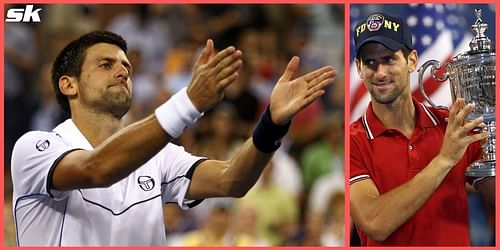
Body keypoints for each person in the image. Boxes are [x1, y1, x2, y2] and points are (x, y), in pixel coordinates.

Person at [10, 30, 336, 246]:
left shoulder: (159, 155)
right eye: (106, 65)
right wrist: (188, 103)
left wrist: (272, 124)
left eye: (125, 66)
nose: (122, 71)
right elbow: (98, 169)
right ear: (69, 85)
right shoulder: (35, 148)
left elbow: (231, 181)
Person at [349, 13, 495, 246]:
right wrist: (444, 159)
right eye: (370, 63)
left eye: (389, 59)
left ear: (412, 60)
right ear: (358, 68)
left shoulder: (451, 125)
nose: (380, 73)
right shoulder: (352, 142)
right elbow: (375, 223)